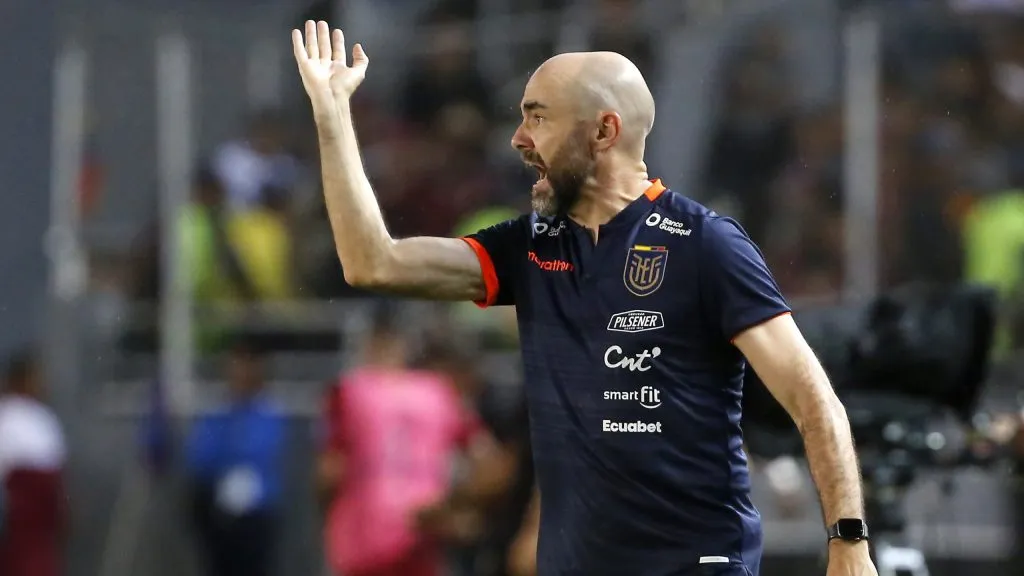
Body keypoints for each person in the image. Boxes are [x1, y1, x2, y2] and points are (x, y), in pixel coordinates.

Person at [292, 21, 878, 576]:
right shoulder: (529, 248)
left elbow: (812, 399)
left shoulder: (705, 245)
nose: (519, 139)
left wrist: (848, 543)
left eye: (538, 118)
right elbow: (374, 263)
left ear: (603, 131)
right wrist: (332, 114)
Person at [316, 309, 489, 576]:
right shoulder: (437, 391)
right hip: (421, 532)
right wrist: (454, 508)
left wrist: (324, 518)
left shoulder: (348, 390)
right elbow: (486, 458)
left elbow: (329, 471)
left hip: (360, 537)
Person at [185, 338, 285, 576]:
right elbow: (201, 458)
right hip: (220, 517)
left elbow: (261, 451)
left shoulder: (268, 413)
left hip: (256, 518)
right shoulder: (217, 415)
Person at [0, 352, 67, 576]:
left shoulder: (42, 416)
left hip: (43, 514)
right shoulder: (7, 414)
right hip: (18, 515)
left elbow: (56, 470)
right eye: (35, 377)